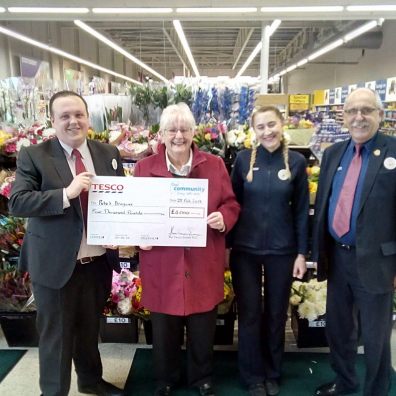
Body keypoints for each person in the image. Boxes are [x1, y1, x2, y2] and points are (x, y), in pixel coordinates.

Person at [9, 91, 125, 396]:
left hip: (97, 262)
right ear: (53, 121)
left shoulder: (107, 153)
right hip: (56, 264)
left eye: (79, 114)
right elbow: (18, 202)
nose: (73, 121)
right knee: (56, 337)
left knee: (88, 330)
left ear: (88, 117)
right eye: (65, 116)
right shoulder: (34, 155)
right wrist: (66, 193)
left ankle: (90, 381)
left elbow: (122, 200)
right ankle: (53, 392)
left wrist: (126, 233)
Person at [133, 103, 240, 396]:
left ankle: (201, 377)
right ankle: (165, 378)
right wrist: (138, 235)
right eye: (172, 130)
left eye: (184, 129)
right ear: (162, 134)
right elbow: (135, 212)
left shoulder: (215, 165)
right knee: (164, 325)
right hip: (162, 260)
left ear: (194, 132)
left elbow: (231, 203)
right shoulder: (144, 168)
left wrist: (224, 218)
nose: (178, 135)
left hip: (203, 258)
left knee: (202, 325)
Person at [312, 87, 396, 396]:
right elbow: (323, 204)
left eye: (366, 110)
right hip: (338, 259)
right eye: (352, 111)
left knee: (375, 337)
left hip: (377, 261)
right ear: (343, 116)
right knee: (339, 329)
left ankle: (376, 390)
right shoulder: (334, 153)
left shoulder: (393, 152)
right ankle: (345, 382)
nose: (358, 117)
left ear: (380, 115)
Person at [229, 106, 309, 396]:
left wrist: (302, 253)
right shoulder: (241, 162)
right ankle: (252, 375)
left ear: (282, 123)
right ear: (254, 130)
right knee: (249, 314)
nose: (267, 131)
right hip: (244, 252)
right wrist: (227, 248)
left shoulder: (298, 163)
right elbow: (231, 205)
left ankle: (273, 372)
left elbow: (301, 212)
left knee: (276, 314)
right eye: (260, 127)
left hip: (283, 251)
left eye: (271, 124)